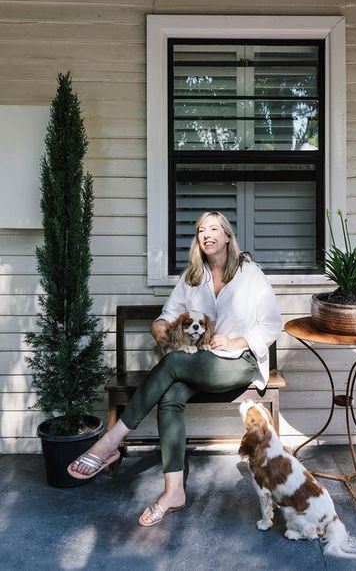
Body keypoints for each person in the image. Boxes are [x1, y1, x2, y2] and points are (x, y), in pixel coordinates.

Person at [68, 210, 282, 526]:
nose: (206, 235)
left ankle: (109, 442)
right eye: (200, 231)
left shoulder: (251, 274)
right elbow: (167, 315)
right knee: (170, 396)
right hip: (198, 361)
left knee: (172, 362)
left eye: (213, 229)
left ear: (226, 236)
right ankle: (173, 491)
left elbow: (272, 325)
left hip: (240, 363)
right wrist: (159, 327)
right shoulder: (192, 276)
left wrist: (237, 342)